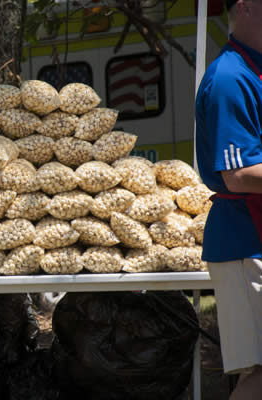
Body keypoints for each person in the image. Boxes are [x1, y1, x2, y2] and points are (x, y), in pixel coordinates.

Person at [195, 0, 262, 398]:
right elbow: (237, 175)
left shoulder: (252, 69)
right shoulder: (229, 77)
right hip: (244, 242)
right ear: (246, 6)